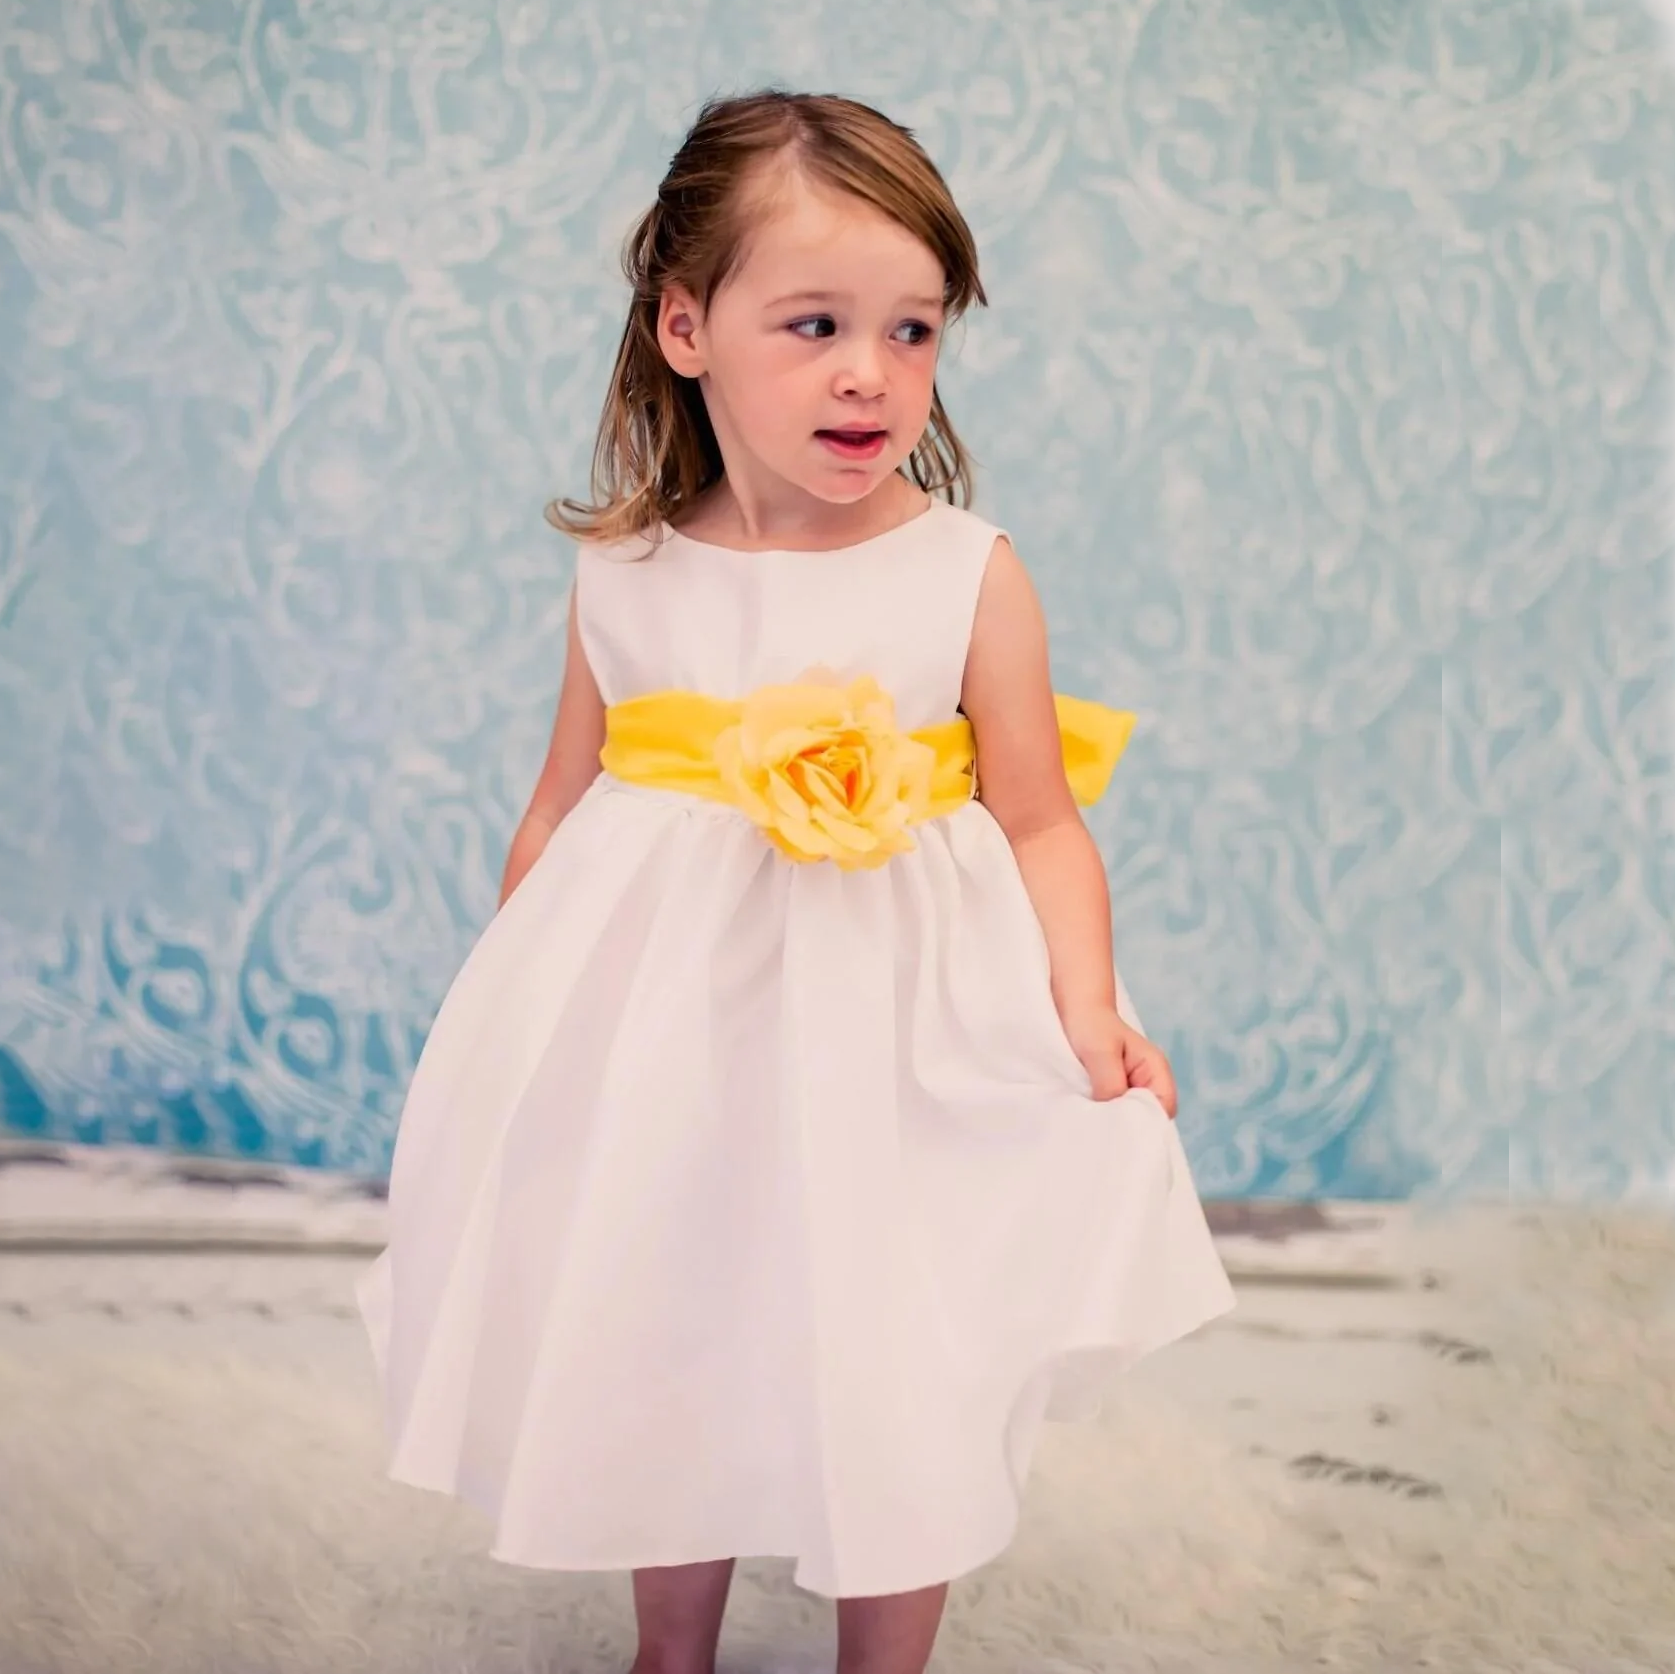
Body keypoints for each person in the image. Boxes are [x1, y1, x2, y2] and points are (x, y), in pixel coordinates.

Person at [358, 88, 1234, 1674]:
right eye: (817, 321)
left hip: (899, 1048)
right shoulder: (627, 568)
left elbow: (1038, 820)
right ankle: (668, 1648)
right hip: (675, 1051)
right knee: (664, 1321)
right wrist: (518, 1032)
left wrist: (1086, 1009)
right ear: (686, 327)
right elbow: (565, 803)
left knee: (901, 1353)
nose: (868, 372)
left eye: (911, 331)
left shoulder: (964, 572)